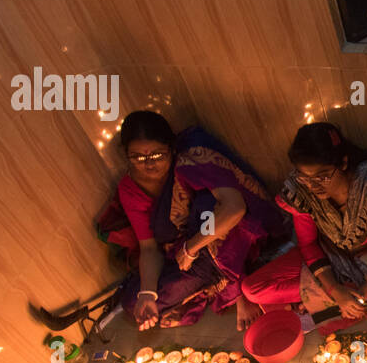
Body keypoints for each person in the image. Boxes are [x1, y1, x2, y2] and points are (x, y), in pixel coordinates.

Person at [241, 122, 367, 332]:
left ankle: (344, 300)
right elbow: (309, 244)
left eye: (323, 176)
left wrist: (366, 289)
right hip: (331, 255)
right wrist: (335, 290)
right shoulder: (301, 188)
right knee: (252, 290)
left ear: (344, 163)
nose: (314, 185)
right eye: (306, 178)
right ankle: (345, 298)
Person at [114, 110, 285, 331]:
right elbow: (148, 248)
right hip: (181, 253)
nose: (148, 164)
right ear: (125, 154)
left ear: (172, 148)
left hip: (222, 235)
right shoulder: (129, 189)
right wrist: (147, 293)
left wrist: (190, 248)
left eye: (158, 155)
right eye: (138, 157)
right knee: (134, 302)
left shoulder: (193, 159)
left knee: (206, 207)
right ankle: (210, 284)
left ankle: (234, 287)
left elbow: (234, 208)